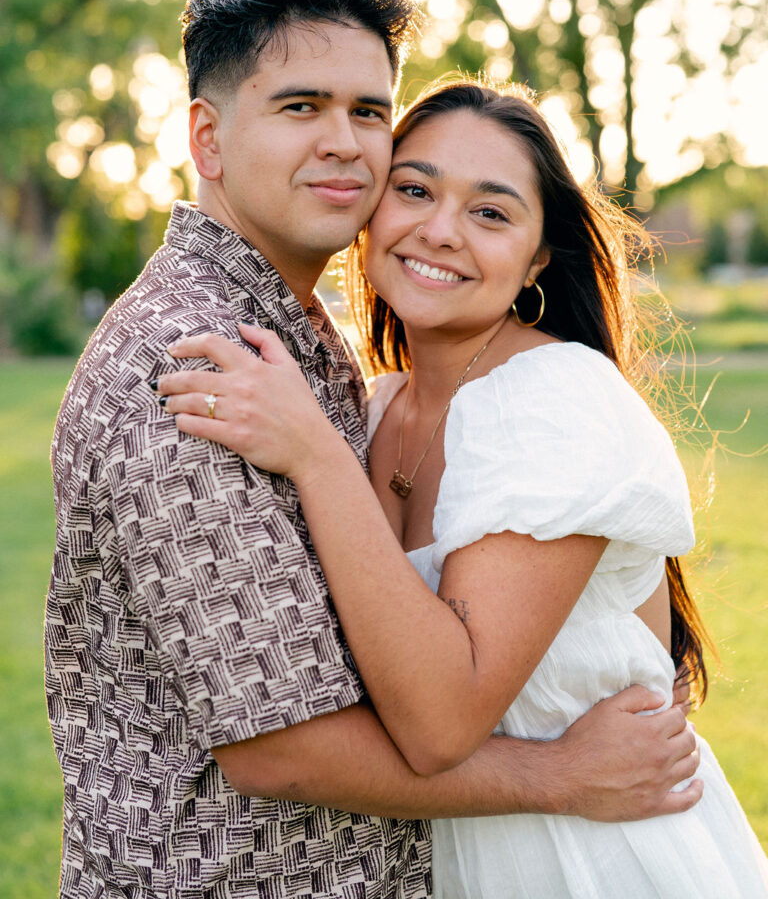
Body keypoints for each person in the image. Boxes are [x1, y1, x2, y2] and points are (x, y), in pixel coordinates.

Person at [47, 0, 700, 899]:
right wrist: (560, 774)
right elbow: (282, 749)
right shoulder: (195, 365)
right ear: (208, 138)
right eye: (301, 107)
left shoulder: (308, 356)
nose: (348, 144)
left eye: (368, 111)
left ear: (534, 260)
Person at [157, 78, 768, 898]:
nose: (439, 231)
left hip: (598, 861)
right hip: (464, 859)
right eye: (414, 190)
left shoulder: (554, 400)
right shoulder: (370, 410)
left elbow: (441, 724)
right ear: (372, 211)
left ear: (537, 259)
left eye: (491, 213)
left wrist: (313, 455)